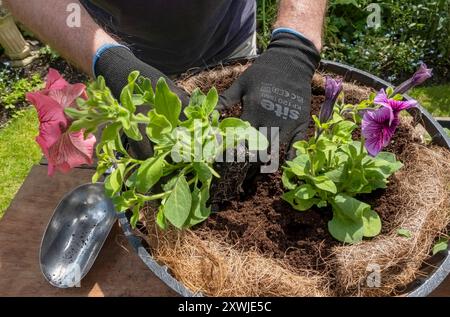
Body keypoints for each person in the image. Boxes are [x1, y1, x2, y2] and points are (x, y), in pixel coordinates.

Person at [5, 0, 327, 158]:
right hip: (118, 48)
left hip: (230, 39)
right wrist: (112, 63)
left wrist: (294, 44)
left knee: (252, 148)